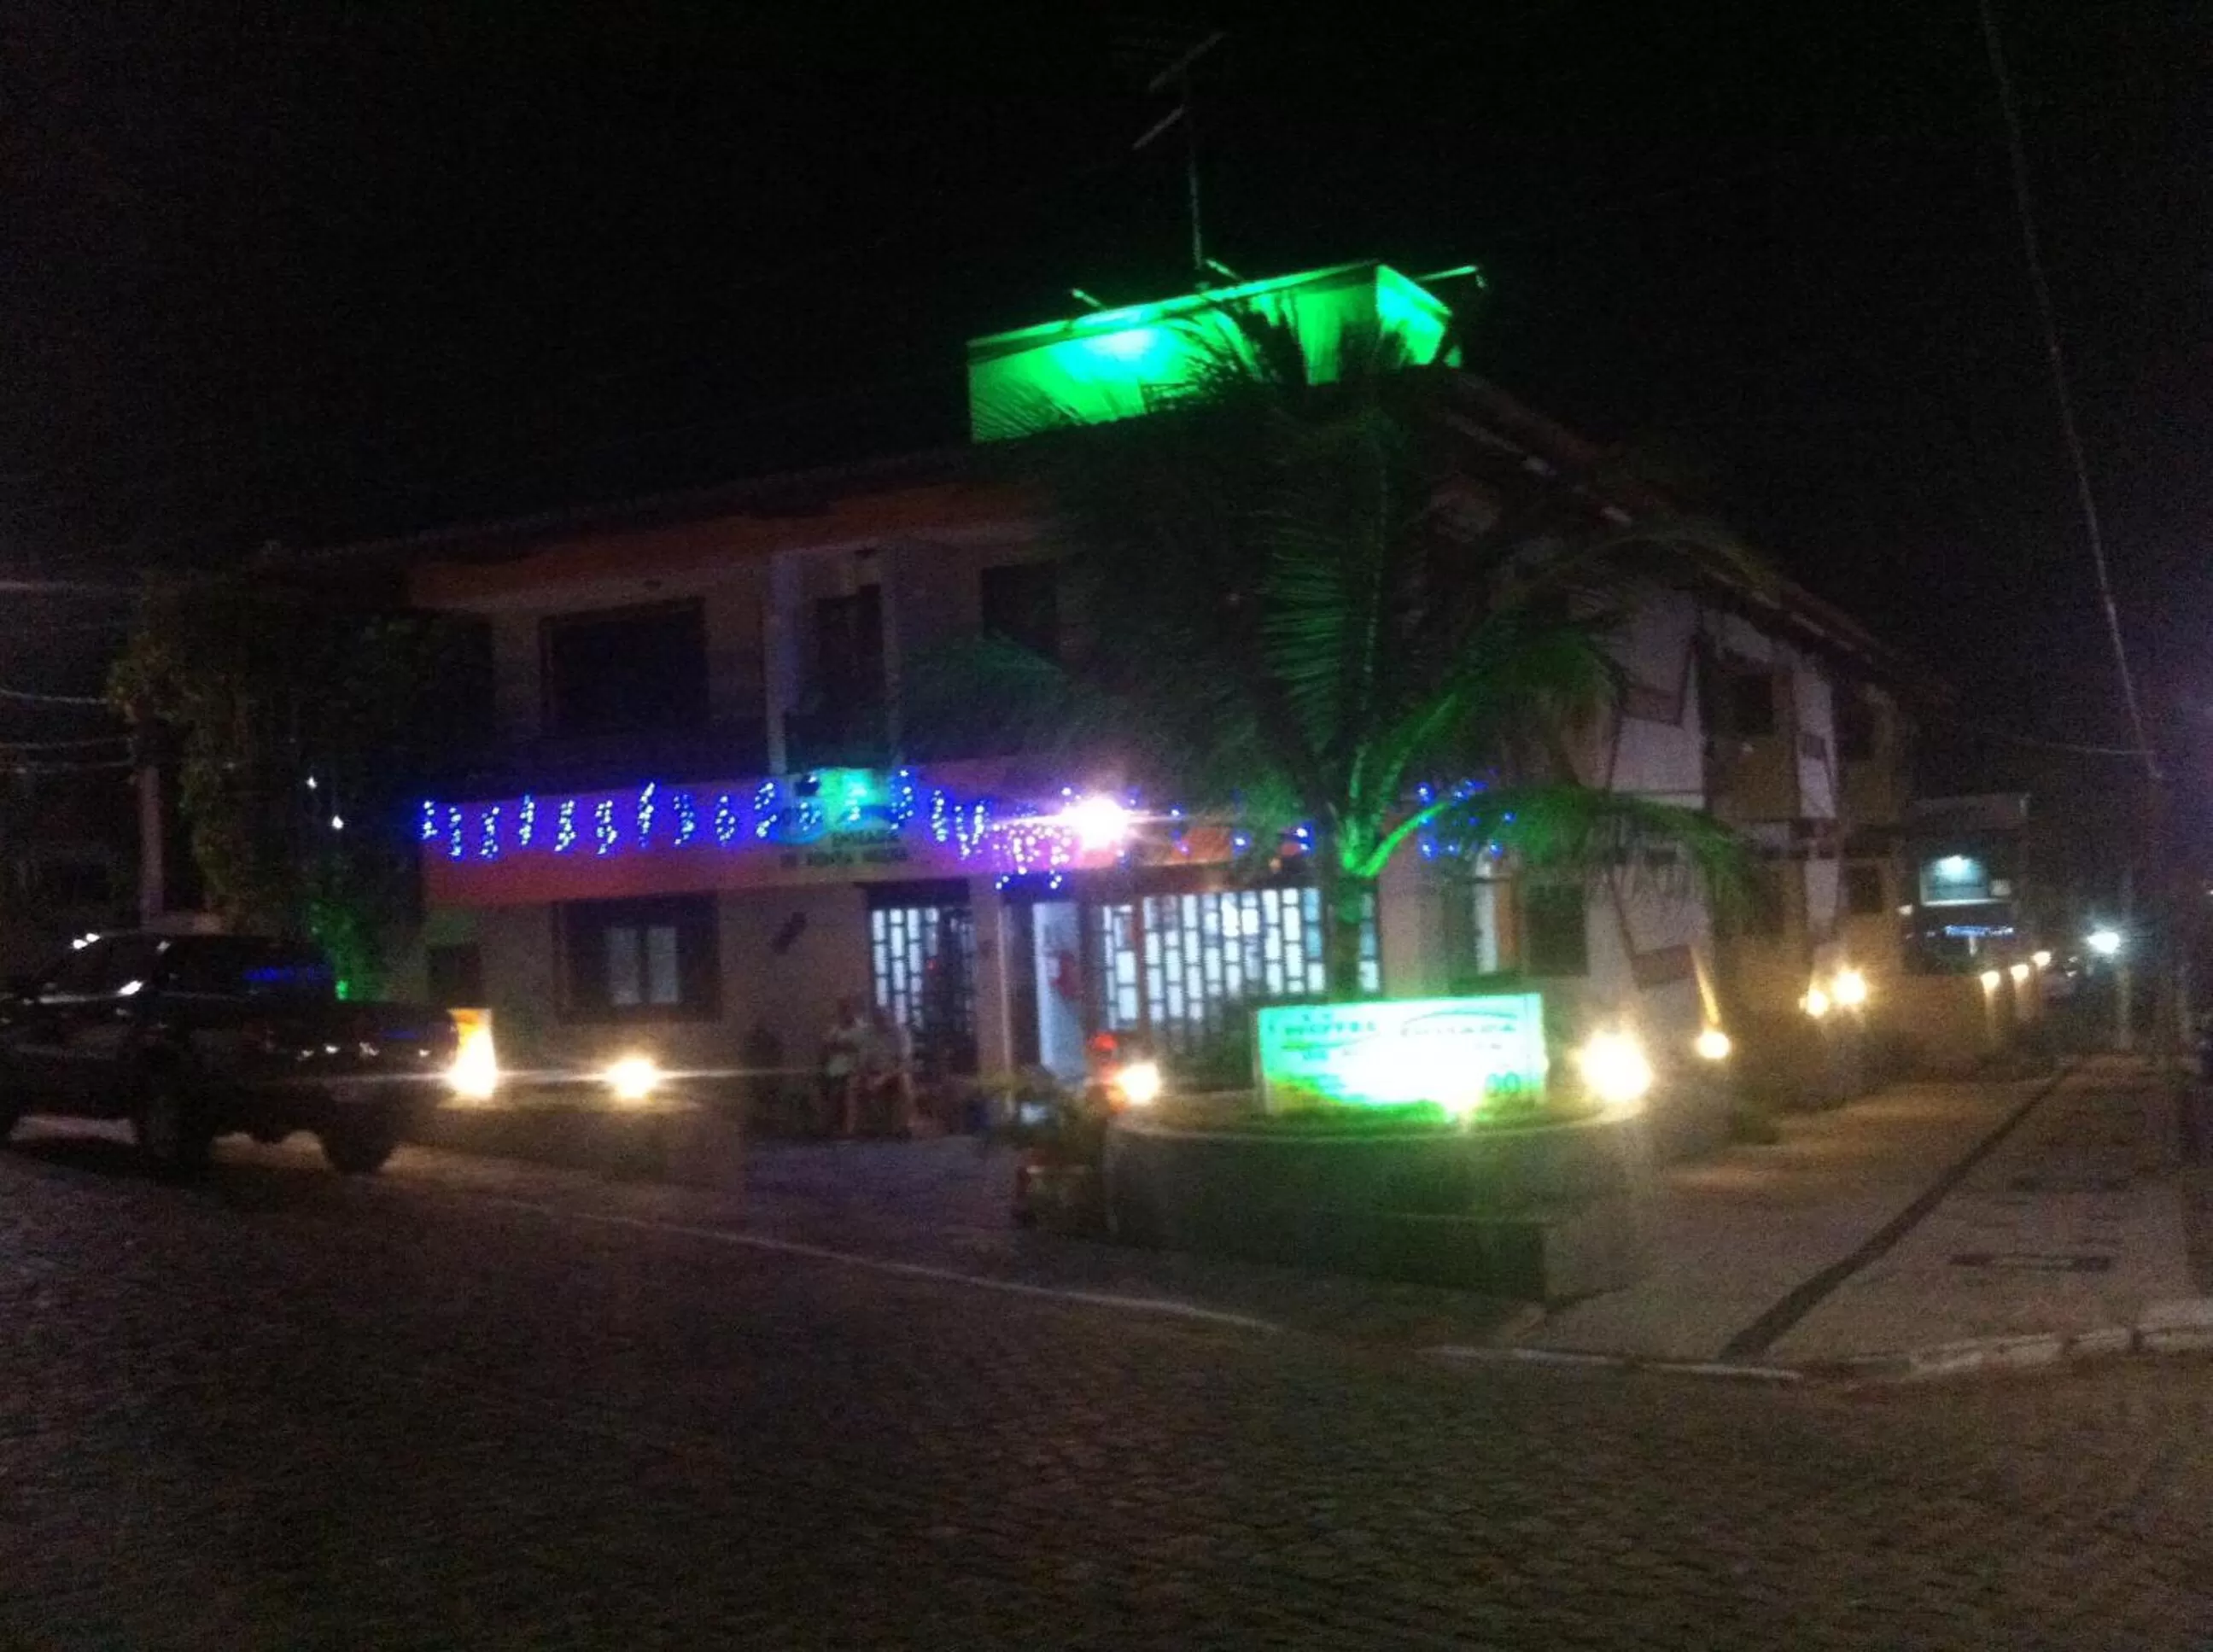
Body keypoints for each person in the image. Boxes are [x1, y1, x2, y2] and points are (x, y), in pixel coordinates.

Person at [863, 1005, 919, 1137]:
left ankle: (907, 1126)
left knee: (904, 1081)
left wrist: (884, 1077)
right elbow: (863, 1062)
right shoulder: (869, 1035)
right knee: (857, 1084)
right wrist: (868, 1077)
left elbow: (905, 1062)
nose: (881, 1022)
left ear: (890, 1018)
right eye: (878, 1019)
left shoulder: (901, 1033)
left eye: (884, 1018)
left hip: (895, 1072)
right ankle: (869, 1128)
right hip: (875, 1073)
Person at [821, 998, 866, 1137]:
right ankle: (831, 1128)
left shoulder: (863, 1028)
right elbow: (827, 1046)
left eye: (849, 1009)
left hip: (855, 1068)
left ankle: (849, 1130)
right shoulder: (835, 1029)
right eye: (843, 1010)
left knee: (849, 1088)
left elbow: (862, 1048)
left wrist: (843, 1046)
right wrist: (840, 1045)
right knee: (833, 1091)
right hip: (836, 1069)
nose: (846, 1013)